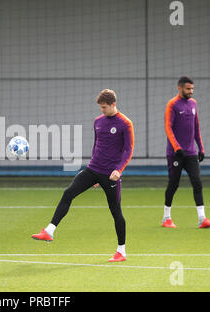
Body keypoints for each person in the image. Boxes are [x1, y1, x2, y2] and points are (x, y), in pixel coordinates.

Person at [32, 89, 134, 262]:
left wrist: (119, 169)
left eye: (104, 107)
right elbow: (97, 145)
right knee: (68, 193)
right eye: (100, 107)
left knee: (116, 211)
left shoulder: (125, 123)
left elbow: (128, 149)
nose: (101, 110)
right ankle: (49, 231)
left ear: (113, 104)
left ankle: (121, 251)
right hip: (93, 169)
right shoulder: (98, 121)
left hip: (111, 175)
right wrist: (92, 170)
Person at [162, 76, 210, 229]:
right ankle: (166, 218)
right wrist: (176, 147)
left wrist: (201, 147)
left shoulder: (193, 104)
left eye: (192, 89)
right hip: (175, 154)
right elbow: (168, 127)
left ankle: (202, 219)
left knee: (197, 182)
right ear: (179, 88)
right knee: (173, 184)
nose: (191, 92)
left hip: (191, 153)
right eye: (188, 89)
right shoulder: (172, 104)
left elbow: (196, 127)